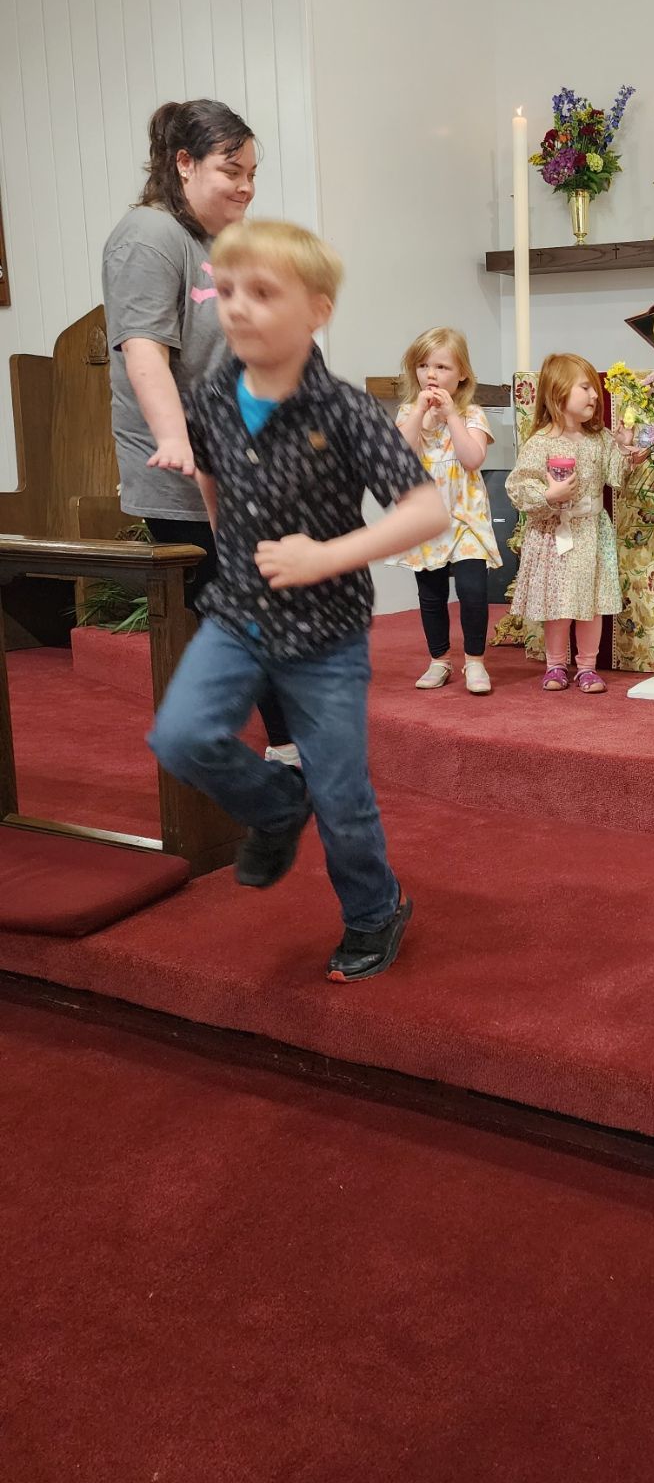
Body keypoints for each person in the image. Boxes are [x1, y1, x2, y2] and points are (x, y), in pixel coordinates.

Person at [148, 221, 448, 983]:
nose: (240, 309)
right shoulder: (212, 395)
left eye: (264, 293)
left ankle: (376, 911)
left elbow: (426, 510)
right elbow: (212, 480)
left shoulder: (343, 410)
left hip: (326, 635)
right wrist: (231, 554)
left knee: (344, 796)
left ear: (317, 311)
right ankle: (279, 807)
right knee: (181, 736)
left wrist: (326, 556)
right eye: (229, 291)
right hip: (239, 616)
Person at [102, 98, 296, 763]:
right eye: (230, 170)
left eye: (251, 173)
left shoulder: (215, 240)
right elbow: (143, 349)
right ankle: (280, 758)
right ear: (183, 164)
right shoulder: (148, 236)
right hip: (186, 477)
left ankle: (290, 753)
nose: (244, 186)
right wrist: (175, 440)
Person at [505, 353, 642, 693]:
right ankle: (555, 665)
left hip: (591, 531)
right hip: (555, 533)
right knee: (559, 603)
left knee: (591, 603)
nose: (594, 396)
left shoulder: (599, 440)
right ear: (557, 393)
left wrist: (625, 450)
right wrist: (549, 495)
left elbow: (615, 477)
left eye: (595, 390)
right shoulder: (540, 443)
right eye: (585, 388)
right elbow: (518, 486)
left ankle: (587, 666)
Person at [392, 327, 500, 695]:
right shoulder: (408, 412)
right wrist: (420, 411)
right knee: (431, 593)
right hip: (426, 518)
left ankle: (475, 661)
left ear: (462, 374)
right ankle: (439, 659)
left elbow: (472, 459)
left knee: (472, 589)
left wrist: (452, 416)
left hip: (466, 516)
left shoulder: (472, 413)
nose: (431, 375)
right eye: (423, 366)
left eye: (441, 366)